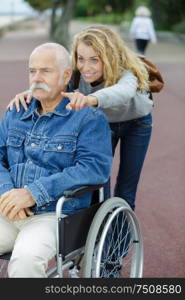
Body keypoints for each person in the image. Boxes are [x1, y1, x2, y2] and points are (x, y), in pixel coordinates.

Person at [0, 42, 113, 278]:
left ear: (66, 75)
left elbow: (94, 168)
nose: (36, 78)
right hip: (9, 210)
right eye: (32, 71)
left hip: (54, 214)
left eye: (46, 71)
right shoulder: (15, 111)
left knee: (25, 261)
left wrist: (32, 193)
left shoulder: (88, 118)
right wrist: (9, 194)